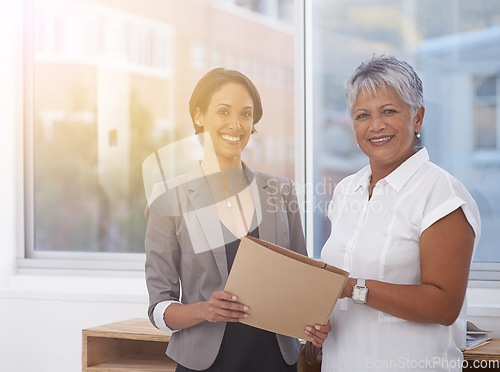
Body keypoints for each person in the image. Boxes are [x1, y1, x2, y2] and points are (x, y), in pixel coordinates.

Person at [145, 68, 330, 371]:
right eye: (223, 111)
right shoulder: (169, 198)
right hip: (205, 364)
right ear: (198, 116)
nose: (236, 124)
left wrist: (314, 328)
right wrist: (204, 310)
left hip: (275, 361)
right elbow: (159, 308)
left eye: (246, 114)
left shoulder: (280, 191)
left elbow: (302, 286)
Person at [316, 55, 481, 371]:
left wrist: (351, 287)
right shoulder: (345, 191)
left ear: (417, 118)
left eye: (388, 111)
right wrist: (317, 328)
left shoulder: (442, 194)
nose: (375, 125)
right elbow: (336, 292)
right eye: (362, 115)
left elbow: (444, 306)